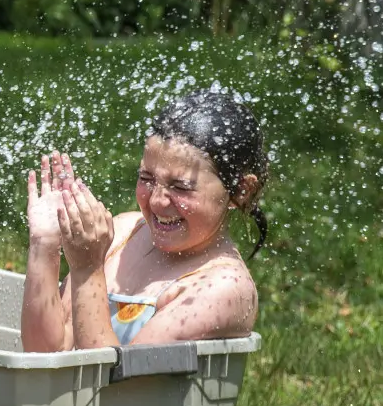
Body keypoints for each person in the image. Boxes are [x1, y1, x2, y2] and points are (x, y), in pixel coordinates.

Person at [20, 88, 268, 352]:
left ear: (241, 191)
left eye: (181, 187)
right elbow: (45, 354)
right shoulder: (122, 235)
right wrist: (44, 245)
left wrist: (88, 270)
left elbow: (112, 382)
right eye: (147, 178)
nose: (156, 201)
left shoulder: (222, 288)